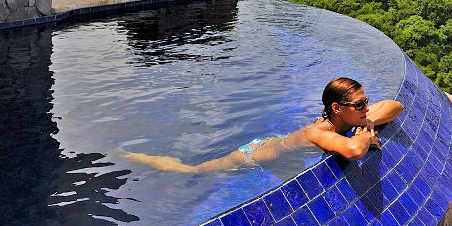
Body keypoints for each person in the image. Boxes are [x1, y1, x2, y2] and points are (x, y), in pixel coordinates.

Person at [122, 77, 403, 173]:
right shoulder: (318, 133)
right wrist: (365, 133)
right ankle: (130, 156)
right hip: (253, 157)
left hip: (280, 146)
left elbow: (394, 105)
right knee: (190, 170)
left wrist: (367, 120)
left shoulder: (351, 117)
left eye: (366, 102)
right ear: (337, 109)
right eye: (360, 105)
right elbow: (354, 150)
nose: (366, 107)